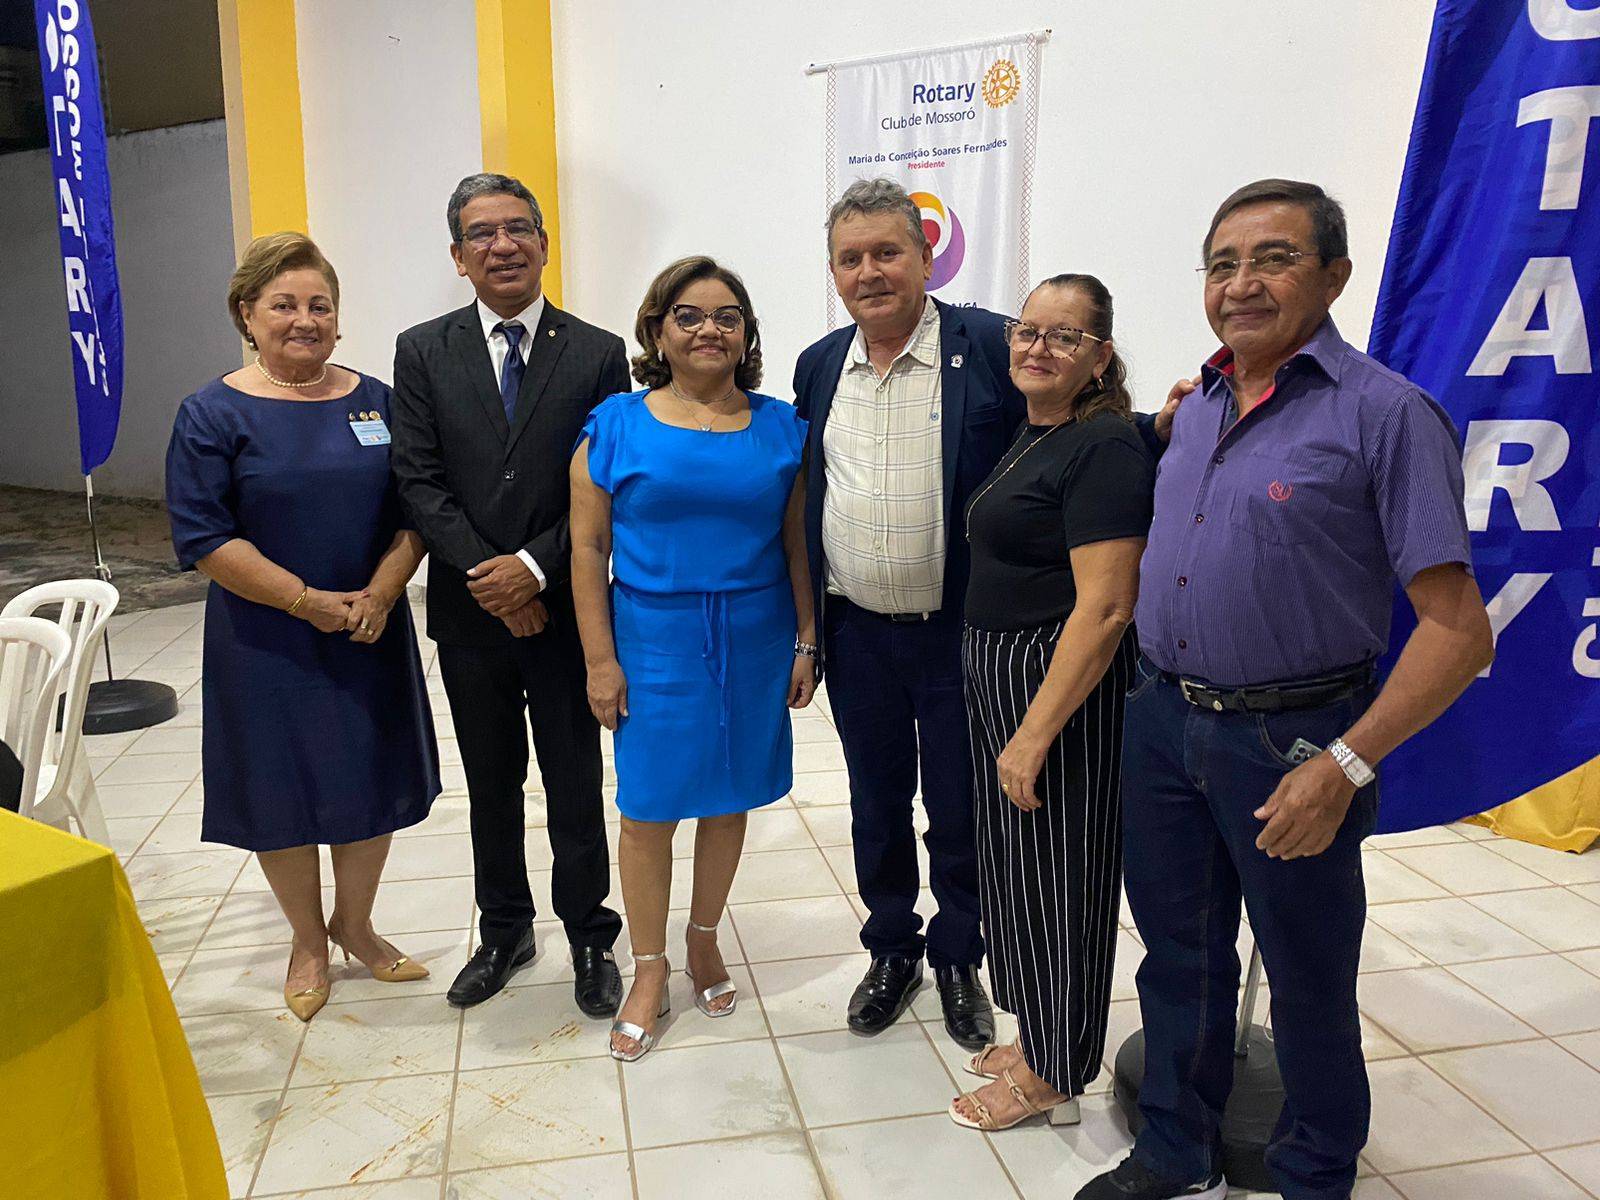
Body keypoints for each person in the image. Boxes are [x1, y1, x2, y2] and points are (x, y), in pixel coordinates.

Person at [1077, 180, 1493, 1200]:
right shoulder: (1197, 408)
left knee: (1306, 981)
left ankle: (1314, 1176)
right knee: (1178, 960)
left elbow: (1457, 633)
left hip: (1296, 742)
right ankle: (1174, 1150)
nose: (1240, 283)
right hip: (1164, 718)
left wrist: (1345, 766)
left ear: (1334, 276)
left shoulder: (1386, 417)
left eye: (1271, 259)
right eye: (1221, 264)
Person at [166, 233, 440, 1022]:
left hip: (368, 628)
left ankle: (354, 926)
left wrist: (384, 593)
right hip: (266, 638)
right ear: (246, 315)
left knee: (368, 777)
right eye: (283, 305)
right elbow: (204, 537)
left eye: (319, 305)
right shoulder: (212, 413)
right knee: (279, 786)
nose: (304, 319)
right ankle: (307, 942)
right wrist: (307, 601)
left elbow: (415, 511)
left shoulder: (378, 402)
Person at [791, 176, 1024, 1050]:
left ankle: (960, 954)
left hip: (961, 634)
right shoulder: (819, 367)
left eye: (888, 252)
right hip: (858, 634)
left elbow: (1072, 431)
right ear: (835, 272)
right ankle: (892, 947)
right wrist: (809, 635)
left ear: (926, 257)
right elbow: (806, 500)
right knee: (875, 801)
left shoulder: (991, 345)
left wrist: (1159, 429)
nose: (870, 271)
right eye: (851, 258)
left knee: (961, 804)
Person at [390, 173, 627, 1015]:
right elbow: (418, 480)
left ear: (543, 243)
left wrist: (532, 568)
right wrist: (491, 579)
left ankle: (592, 937)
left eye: (519, 228)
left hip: (566, 609)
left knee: (573, 777)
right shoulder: (422, 350)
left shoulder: (596, 350)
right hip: (467, 613)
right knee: (491, 780)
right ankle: (504, 930)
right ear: (457, 256)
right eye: (482, 233)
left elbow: (604, 481)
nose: (503, 245)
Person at [571, 256, 814, 1061]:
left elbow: (795, 544)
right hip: (653, 637)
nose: (710, 328)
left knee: (729, 794)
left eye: (728, 316)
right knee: (648, 807)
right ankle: (648, 967)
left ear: (746, 334)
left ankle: (705, 937)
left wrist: (807, 638)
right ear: (657, 330)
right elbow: (587, 546)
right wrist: (600, 661)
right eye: (690, 314)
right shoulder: (616, 422)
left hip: (755, 633)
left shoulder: (782, 426)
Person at [949, 274, 1153, 1132]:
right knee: (1016, 876)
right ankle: (1039, 1034)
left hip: (1054, 686)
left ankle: (1055, 1071)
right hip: (1002, 669)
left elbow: (1106, 609)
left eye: (1065, 337)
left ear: (1100, 356)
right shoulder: (1039, 432)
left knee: (1059, 881)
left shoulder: (1101, 447)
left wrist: (1033, 736)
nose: (1038, 347)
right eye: (1029, 331)